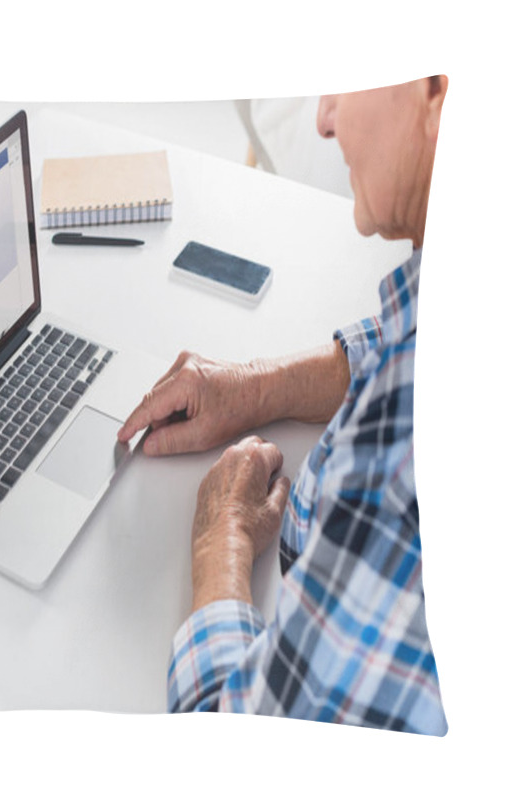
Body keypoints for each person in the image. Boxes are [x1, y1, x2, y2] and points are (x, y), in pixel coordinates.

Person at [117, 77, 449, 734]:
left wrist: (223, 541)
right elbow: (405, 333)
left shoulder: (403, 459)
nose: (324, 118)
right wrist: (260, 386)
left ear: (437, 90)